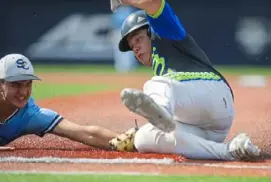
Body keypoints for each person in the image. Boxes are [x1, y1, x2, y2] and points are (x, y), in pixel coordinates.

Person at [109, 0, 261, 161]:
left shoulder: (165, 32)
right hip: (212, 129)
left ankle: (161, 112)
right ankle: (228, 150)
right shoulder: (162, 67)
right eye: (132, 47)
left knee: (154, 84)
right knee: (143, 138)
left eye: (138, 39)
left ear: (151, 32)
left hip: (213, 92)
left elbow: (153, 2)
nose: (135, 48)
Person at [0, 53, 136, 151]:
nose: (23, 92)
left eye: (28, 84)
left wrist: (131, 142)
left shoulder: (31, 115)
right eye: (16, 85)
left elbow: (86, 133)